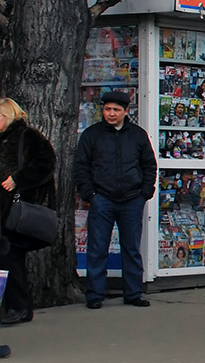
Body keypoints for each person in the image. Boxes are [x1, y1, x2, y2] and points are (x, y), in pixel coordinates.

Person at [75, 90, 157, 309]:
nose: (111, 114)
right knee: (97, 247)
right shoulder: (92, 135)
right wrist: (90, 194)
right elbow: (81, 166)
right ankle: (94, 294)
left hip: (132, 199)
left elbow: (149, 164)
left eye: (116, 110)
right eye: (107, 109)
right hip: (102, 198)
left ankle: (133, 292)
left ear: (125, 112)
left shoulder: (138, 135)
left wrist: (145, 192)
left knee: (131, 247)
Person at [0, 99, 56, 325]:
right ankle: (15, 306)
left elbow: (47, 163)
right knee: (8, 260)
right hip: (5, 211)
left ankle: (19, 307)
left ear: (7, 116)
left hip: (16, 210)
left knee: (10, 259)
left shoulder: (27, 136)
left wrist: (17, 180)